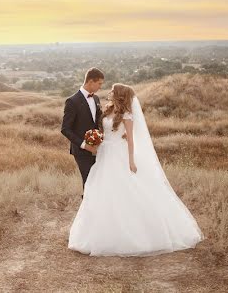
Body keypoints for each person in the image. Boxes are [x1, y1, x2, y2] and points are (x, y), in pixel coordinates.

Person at [68, 83, 205, 256]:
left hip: (118, 154)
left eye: (112, 90)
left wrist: (131, 161)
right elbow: (102, 129)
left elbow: (131, 140)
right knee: (101, 189)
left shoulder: (126, 115)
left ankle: (132, 234)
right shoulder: (108, 110)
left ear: (119, 94)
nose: (109, 92)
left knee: (124, 190)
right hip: (104, 153)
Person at [60, 67, 104, 195]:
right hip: (81, 151)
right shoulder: (72, 101)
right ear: (90, 81)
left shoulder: (96, 99)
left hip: (98, 148)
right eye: (99, 83)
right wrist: (85, 145)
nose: (100, 87)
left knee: (99, 180)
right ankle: (88, 211)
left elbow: (98, 122)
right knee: (89, 181)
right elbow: (65, 129)